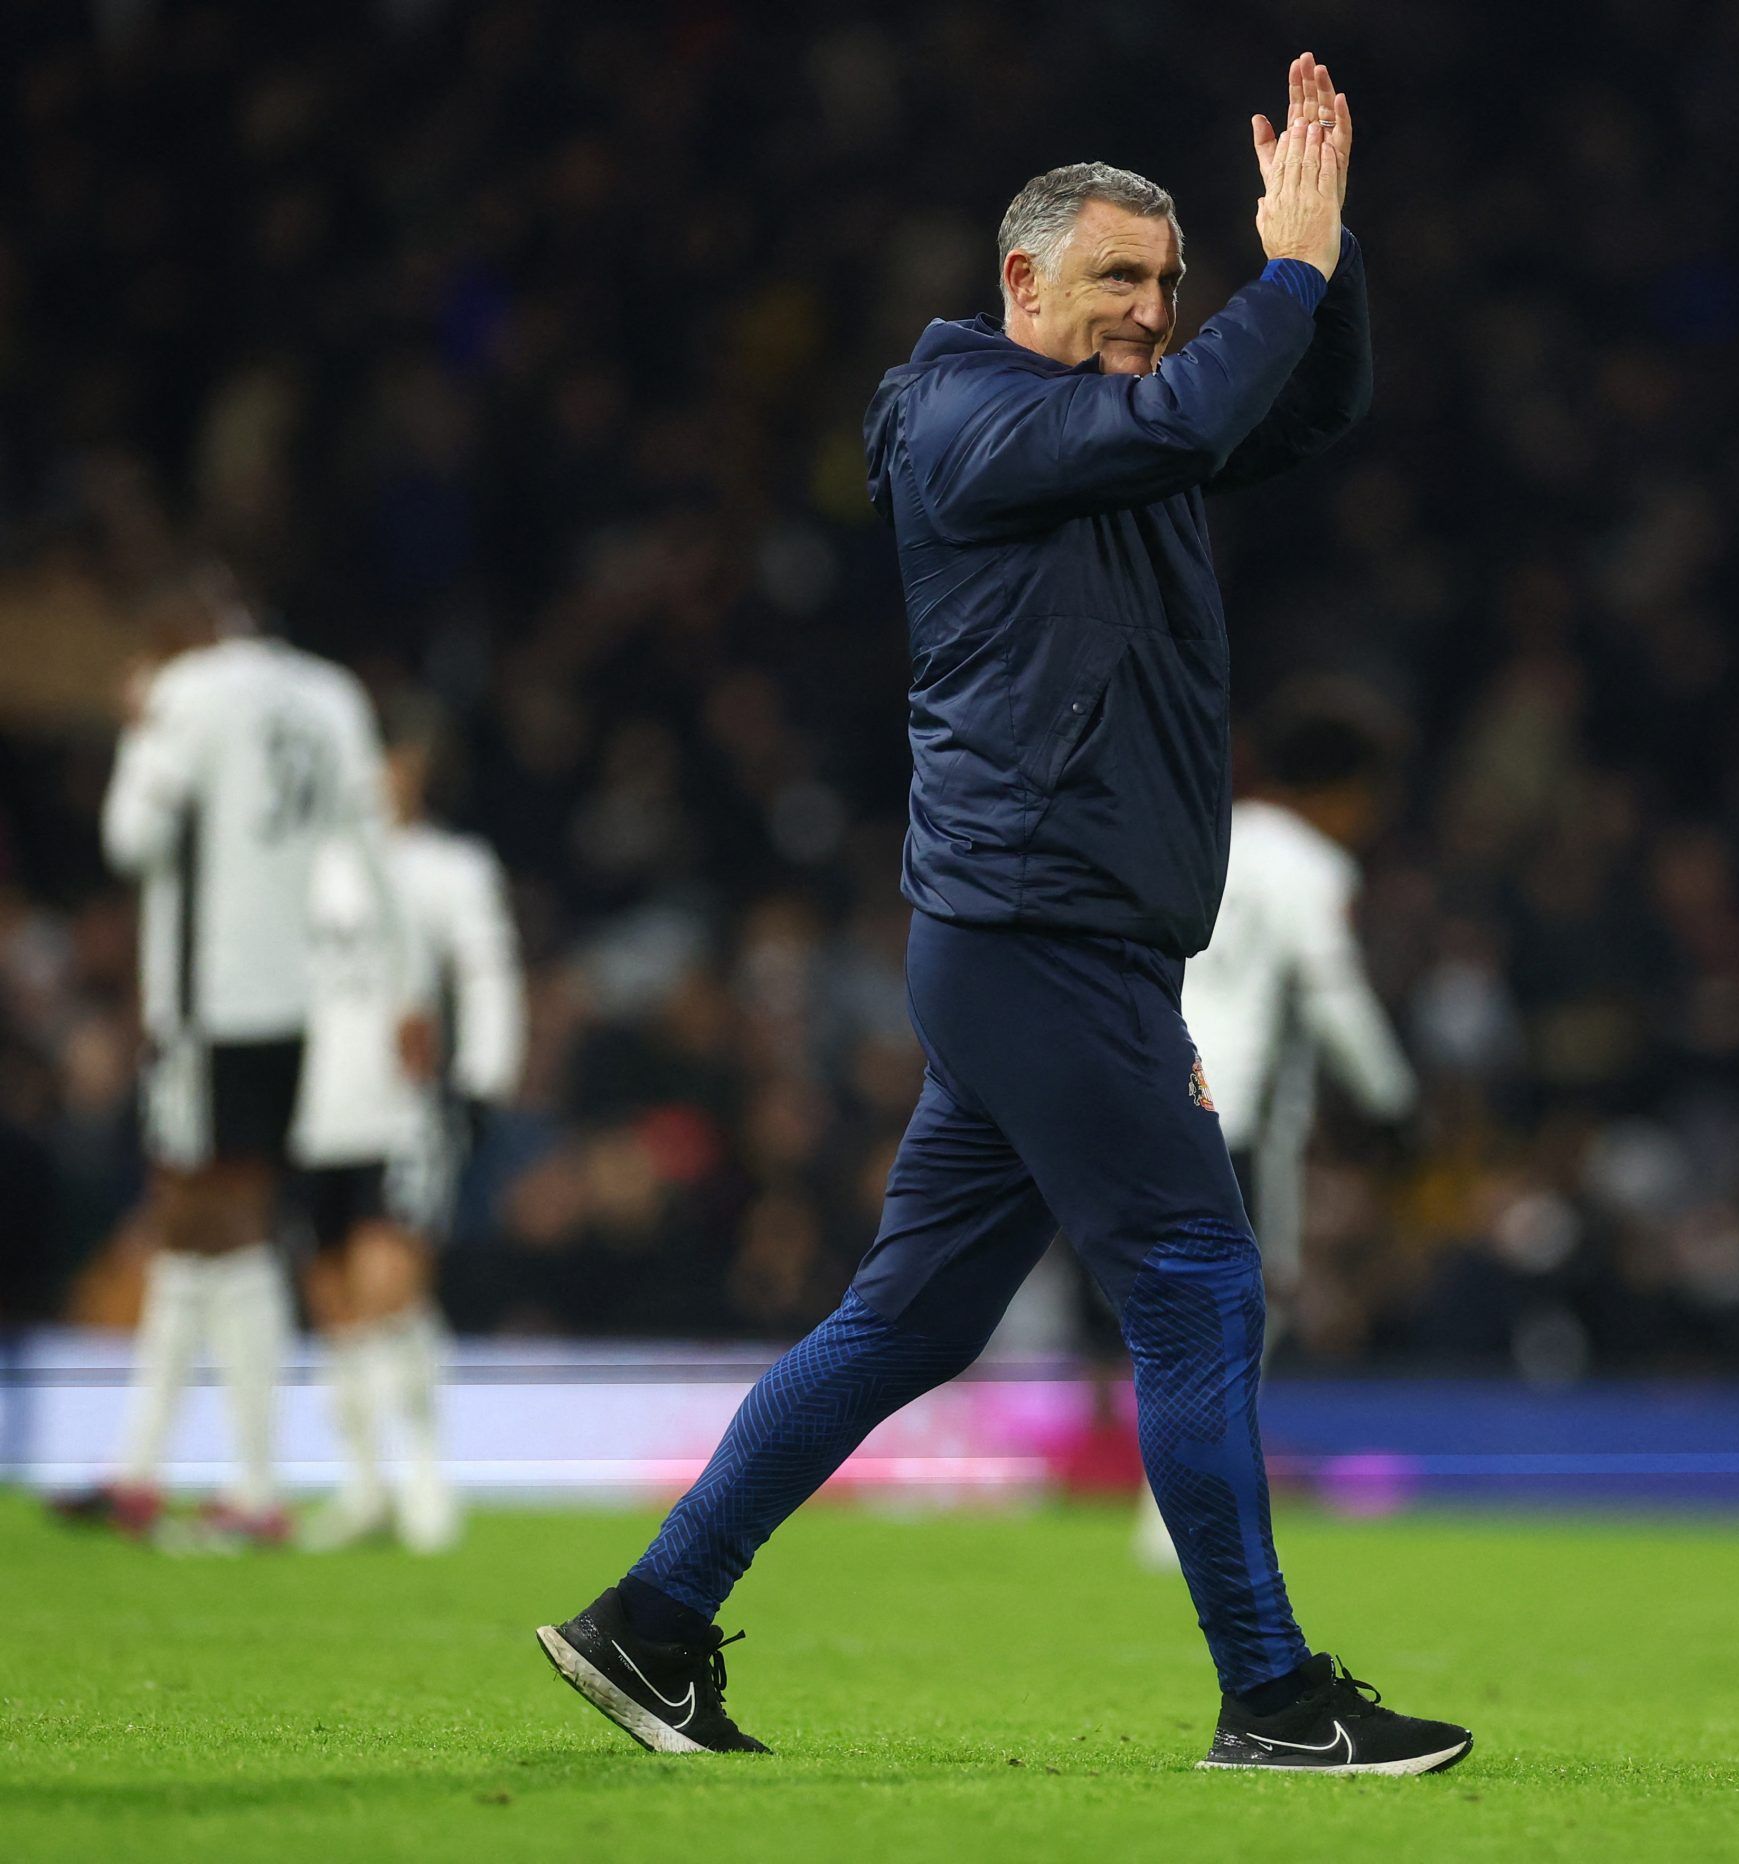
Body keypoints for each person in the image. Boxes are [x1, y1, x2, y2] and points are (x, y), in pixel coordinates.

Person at [538, 54, 1472, 1774]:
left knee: (911, 1318)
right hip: (1041, 928)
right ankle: (1270, 1693)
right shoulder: (977, 416)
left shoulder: (1112, 441)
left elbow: (1300, 413)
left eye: (1168, 284)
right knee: (1195, 1281)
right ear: (1018, 280)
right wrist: (1289, 276)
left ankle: (650, 1622)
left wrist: (1321, 259)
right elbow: (1196, 410)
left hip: (1044, 935)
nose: (1149, 311)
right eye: (1117, 277)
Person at [53, 560, 406, 1549]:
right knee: (194, 1222)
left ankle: (254, 1486)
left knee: (220, 1221)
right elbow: (368, 841)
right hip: (293, 996)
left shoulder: (187, 693)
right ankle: (139, 1469)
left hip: (207, 997)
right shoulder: (330, 692)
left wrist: (139, 729)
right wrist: (400, 984)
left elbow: (131, 838)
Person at [1128, 684, 1417, 1566]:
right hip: (1236, 1107)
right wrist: (1393, 1100)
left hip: (1150, 1082)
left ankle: (1170, 1505)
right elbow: (1332, 995)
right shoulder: (1310, 866)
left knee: (1189, 1304)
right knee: (1245, 1305)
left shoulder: (1208, 838)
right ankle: (1178, 1516)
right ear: (1346, 789)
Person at [297, 702, 524, 1554]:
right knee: (332, 1298)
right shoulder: (310, 866)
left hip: (399, 1108)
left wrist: (482, 1080)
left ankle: (427, 1475)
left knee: (392, 1283)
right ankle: (362, 1486)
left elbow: (487, 971)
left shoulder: (448, 867)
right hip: (311, 1107)